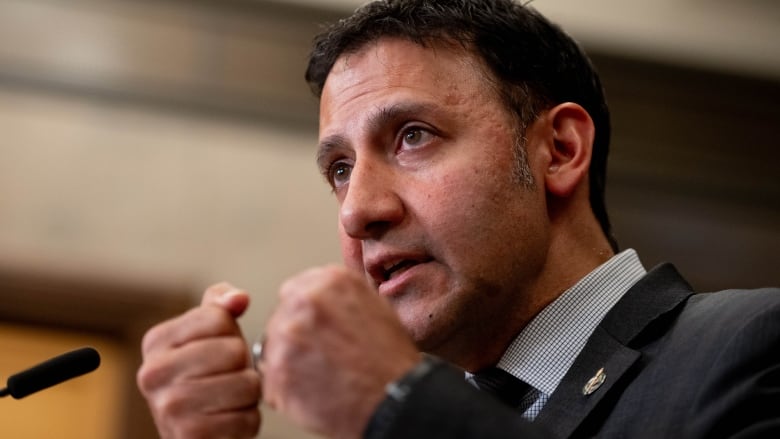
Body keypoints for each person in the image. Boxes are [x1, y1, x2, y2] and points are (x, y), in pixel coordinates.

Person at [136, 1, 780, 438]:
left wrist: (399, 404)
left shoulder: (754, 346)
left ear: (558, 151)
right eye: (338, 169)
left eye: (413, 136)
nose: (359, 210)